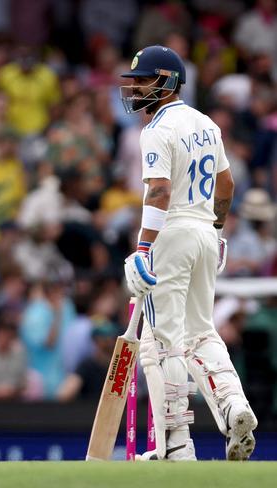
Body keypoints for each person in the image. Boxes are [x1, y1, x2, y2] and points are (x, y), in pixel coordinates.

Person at [120, 45, 257, 461]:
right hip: (202, 231)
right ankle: (234, 404)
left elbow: (158, 191)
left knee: (161, 343)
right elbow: (227, 186)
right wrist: (214, 231)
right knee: (201, 332)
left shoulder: (157, 130)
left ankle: (176, 444)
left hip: (172, 233)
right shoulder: (206, 123)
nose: (137, 88)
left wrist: (143, 247)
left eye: (144, 80)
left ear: (167, 81)